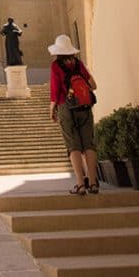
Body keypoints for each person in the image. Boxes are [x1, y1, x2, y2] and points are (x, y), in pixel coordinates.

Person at [48, 33, 99, 195]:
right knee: (88, 145)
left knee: (73, 146)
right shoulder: (78, 64)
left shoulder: (56, 66)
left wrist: (51, 109)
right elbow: (93, 85)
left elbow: (55, 90)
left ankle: (80, 184)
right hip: (84, 107)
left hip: (66, 107)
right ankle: (93, 183)